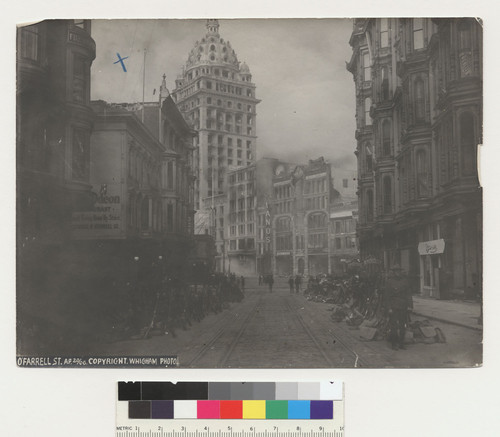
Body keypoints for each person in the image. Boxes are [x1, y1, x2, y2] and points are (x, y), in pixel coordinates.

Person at [385, 265, 411, 350]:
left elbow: (408, 294)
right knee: (394, 326)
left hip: (403, 305)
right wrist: (389, 308)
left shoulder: (405, 281)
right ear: (394, 272)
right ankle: (394, 344)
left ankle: (401, 343)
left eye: (399, 271)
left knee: (403, 325)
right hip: (394, 306)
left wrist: (410, 306)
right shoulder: (389, 282)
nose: (398, 273)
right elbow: (387, 296)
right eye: (396, 271)